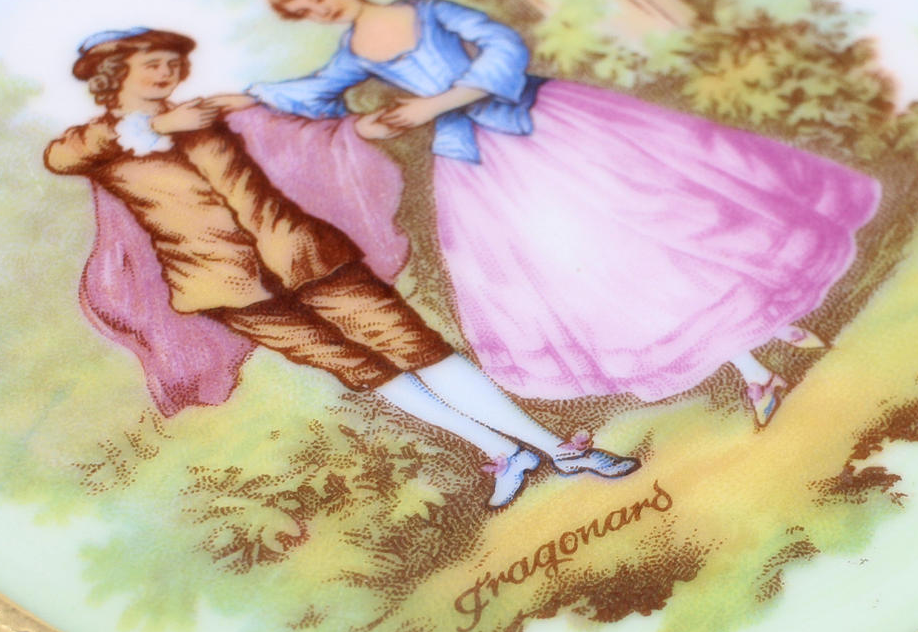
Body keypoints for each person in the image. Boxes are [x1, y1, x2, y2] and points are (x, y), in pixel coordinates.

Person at [215, 0, 882, 426]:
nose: (320, 6)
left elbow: (504, 47)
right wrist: (243, 98)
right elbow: (313, 94)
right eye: (305, 8)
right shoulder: (353, 51)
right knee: (588, 266)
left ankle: (762, 334)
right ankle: (754, 364)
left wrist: (437, 102)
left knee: (661, 218)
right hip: (479, 163)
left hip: (543, 122)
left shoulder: (425, 10)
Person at [43, 27, 638, 508]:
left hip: (302, 253)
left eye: (173, 63)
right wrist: (152, 127)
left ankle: (559, 450)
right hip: (223, 284)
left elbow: (294, 118)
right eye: (153, 64)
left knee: (417, 347)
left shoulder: (207, 113)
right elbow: (61, 156)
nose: (168, 73)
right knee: (360, 370)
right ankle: (504, 452)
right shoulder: (94, 142)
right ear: (114, 75)